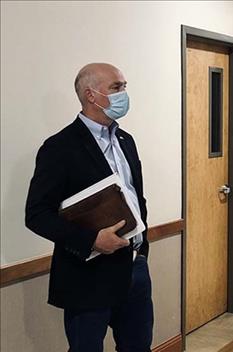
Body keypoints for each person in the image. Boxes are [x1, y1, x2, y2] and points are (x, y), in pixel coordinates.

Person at [25, 63, 153, 352]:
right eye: (116, 88)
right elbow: (36, 214)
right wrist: (92, 240)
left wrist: (142, 251)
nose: (124, 94)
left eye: (124, 86)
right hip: (88, 276)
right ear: (91, 95)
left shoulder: (125, 140)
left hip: (134, 269)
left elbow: (136, 198)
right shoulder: (60, 147)